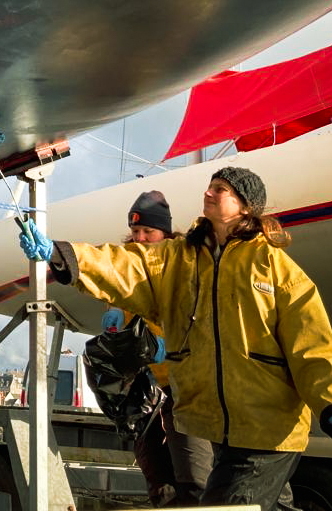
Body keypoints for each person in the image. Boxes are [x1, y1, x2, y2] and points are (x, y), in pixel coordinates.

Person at [20, 166, 332, 511]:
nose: (208, 193)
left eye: (220, 189)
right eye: (210, 186)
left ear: (246, 207)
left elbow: (312, 346)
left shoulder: (275, 269)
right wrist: (62, 254)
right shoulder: (181, 260)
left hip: (266, 427)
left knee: (220, 505)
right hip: (220, 428)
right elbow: (129, 266)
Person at [100, 190, 213, 507]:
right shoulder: (126, 270)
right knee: (158, 477)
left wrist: (169, 347)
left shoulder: (182, 265)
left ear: (165, 231)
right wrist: (114, 326)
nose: (140, 238)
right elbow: (118, 320)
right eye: (135, 231)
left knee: (195, 477)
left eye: (147, 231)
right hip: (145, 389)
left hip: (187, 389)